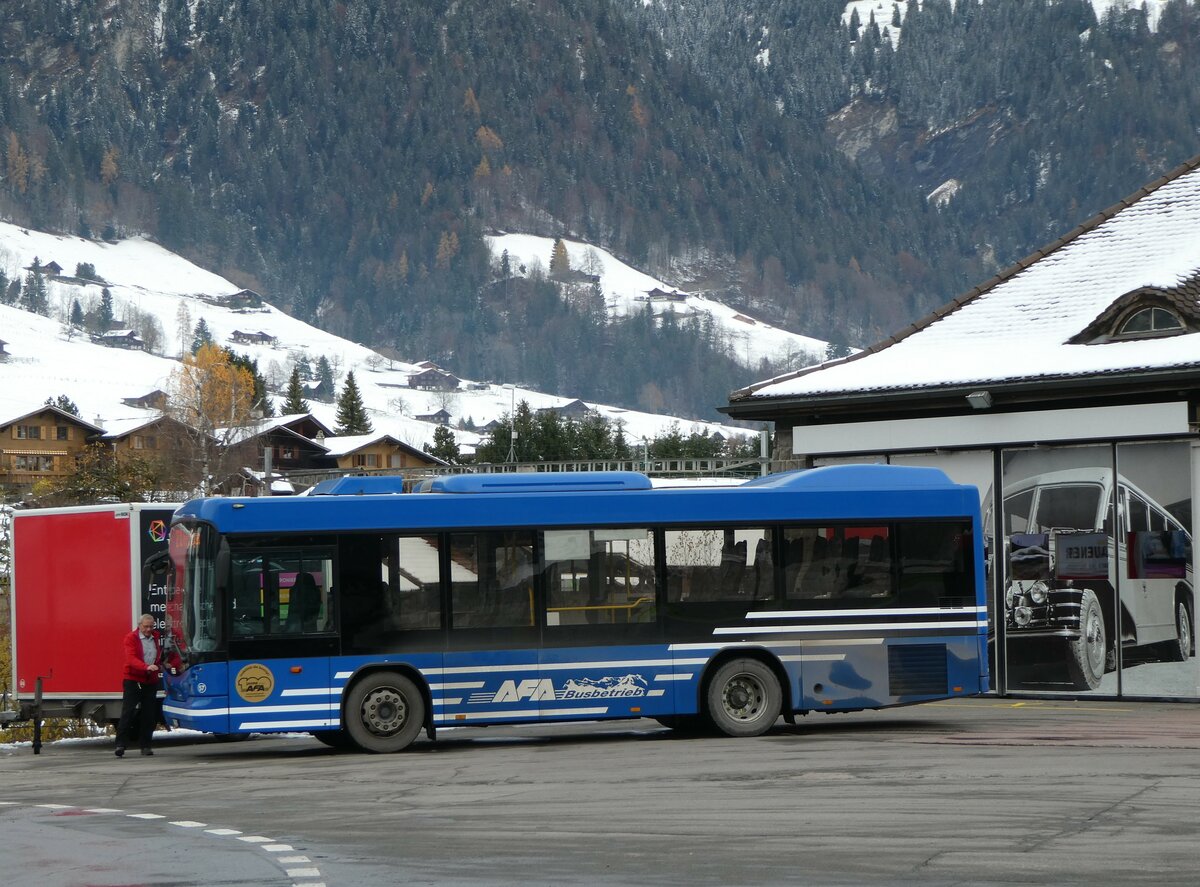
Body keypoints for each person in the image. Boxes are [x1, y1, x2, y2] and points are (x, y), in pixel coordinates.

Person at [115, 614, 163, 757]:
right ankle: (120, 745)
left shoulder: (156, 637)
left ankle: (146, 745)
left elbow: (159, 657)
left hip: (150, 681)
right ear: (140, 625)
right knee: (128, 713)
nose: (149, 629)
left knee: (149, 715)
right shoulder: (131, 638)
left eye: (151, 626)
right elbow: (131, 659)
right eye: (146, 626)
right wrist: (146, 667)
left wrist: (162, 665)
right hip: (133, 680)